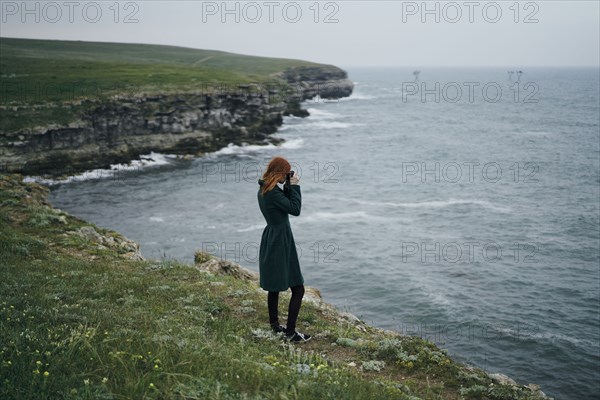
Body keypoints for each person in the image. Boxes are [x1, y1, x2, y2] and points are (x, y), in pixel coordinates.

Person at [257, 156, 311, 342]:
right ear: (279, 172)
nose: (288, 176)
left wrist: (287, 185)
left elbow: (284, 204)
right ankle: (290, 333)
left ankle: (275, 326)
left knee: (274, 287)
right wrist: (294, 186)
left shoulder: (264, 189)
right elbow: (295, 209)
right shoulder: (272, 193)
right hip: (281, 242)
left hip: (273, 237)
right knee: (298, 288)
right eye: (286, 173)